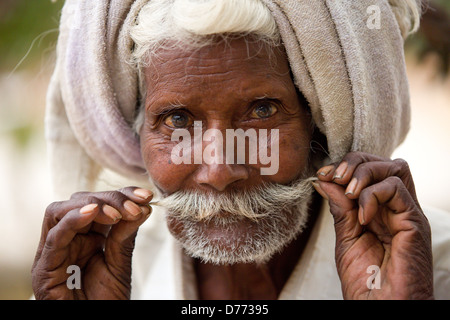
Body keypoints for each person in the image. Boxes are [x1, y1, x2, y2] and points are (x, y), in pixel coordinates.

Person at [32, 0, 450, 300]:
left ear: (318, 124)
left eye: (262, 111)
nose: (217, 170)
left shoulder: (434, 269)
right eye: (177, 120)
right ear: (138, 133)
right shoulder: (94, 281)